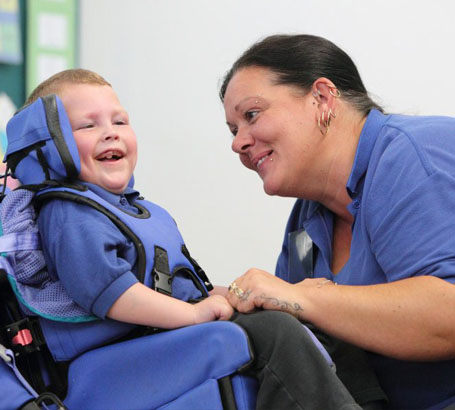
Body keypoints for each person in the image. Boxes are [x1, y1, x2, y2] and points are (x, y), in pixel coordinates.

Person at [17, 69, 370, 410]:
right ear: (47, 146)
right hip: (117, 355)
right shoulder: (68, 212)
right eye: (87, 125)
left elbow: (178, 285)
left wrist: (233, 296)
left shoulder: (133, 210)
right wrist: (192, 314)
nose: (111, 133)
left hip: (157, 337)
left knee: (314, 321)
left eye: (120, 121)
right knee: (273, 332)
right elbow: (110, 293)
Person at [220, 34, 455, 410]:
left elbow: (449, 315)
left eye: (251, 115)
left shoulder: (412, 154)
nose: (238, 144)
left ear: (323, 98)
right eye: (233, 131)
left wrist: (301, 296)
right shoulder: (307, 218)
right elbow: (303, 341)